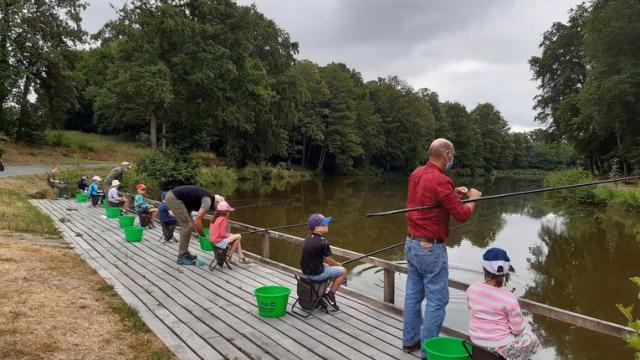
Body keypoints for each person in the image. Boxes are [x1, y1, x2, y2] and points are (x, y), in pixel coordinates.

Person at [402, 138, 482, 354]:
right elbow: (462, 214)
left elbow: (427, 200)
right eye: (452, 154)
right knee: (438, 299)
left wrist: (453, 195)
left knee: (412, 295)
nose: (452, 159)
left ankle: (410, 342)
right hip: (430, 249)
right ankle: (429, 352)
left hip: (411, 244)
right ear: (445, 154)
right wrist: (473, 199)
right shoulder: (441, 179)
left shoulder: (417, 173)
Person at [466, 248, 541, 360]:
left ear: (484, 269)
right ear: (506, 272)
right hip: (499, 344)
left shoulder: (472, 288)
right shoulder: (509, 298)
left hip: (475, 338)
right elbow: (518, 329)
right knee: (531, 338)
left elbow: (470, 308)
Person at [300, 213, 346, 303]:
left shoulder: (307, 238)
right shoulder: (323, 242)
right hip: (315, 274)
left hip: (305, 272)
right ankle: (330, 294)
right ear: (317, 228)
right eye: (324, 224)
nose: (327, 225)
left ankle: (323, 290)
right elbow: (329, 261)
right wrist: (338, 264)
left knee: (329, 267)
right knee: (343, 271)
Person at [164, 185, 213, 265]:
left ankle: (185, 253)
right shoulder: (208, 201)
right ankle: (181, 257)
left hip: (178, 199)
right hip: (174, 198)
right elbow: (197, 221)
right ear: (216, 203)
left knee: (189, 225)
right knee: (186, 227)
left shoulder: (205, 198)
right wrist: (203, 236)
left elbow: (190, 210)